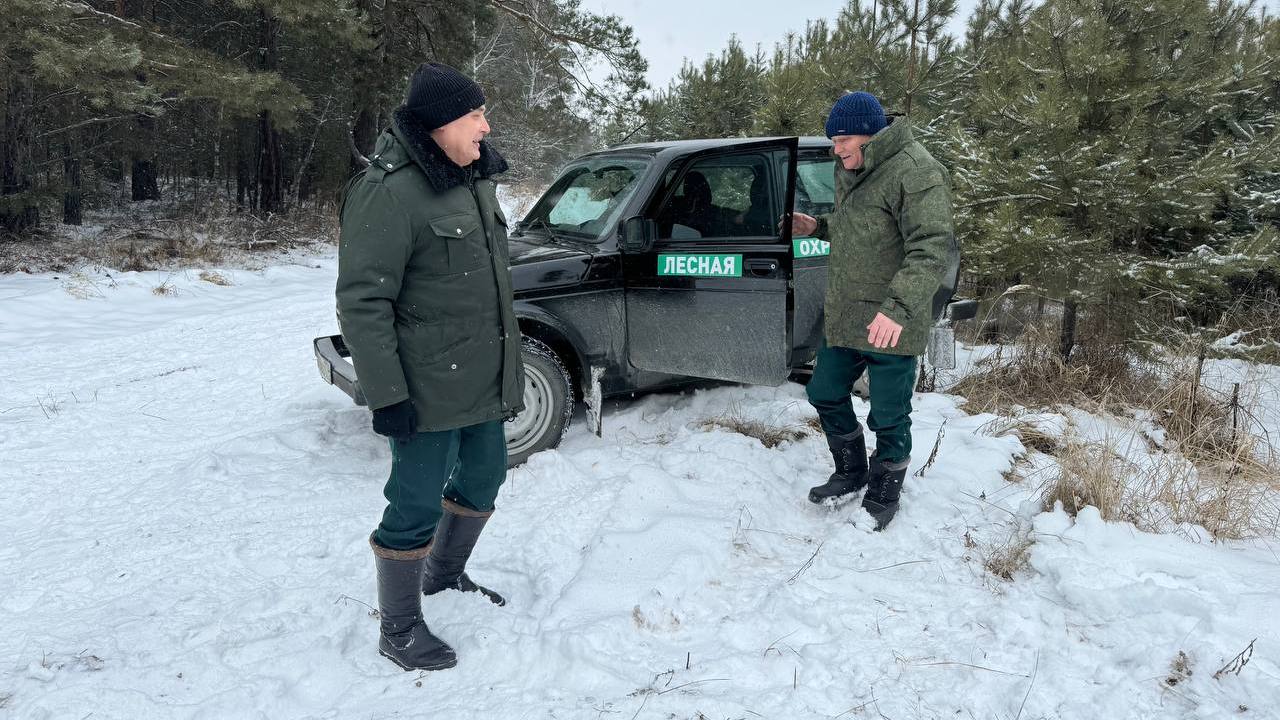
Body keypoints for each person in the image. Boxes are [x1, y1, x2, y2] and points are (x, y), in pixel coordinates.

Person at [335, 62, 524, 671]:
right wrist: (386, 394)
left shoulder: (474, 180)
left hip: (482, 378)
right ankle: (398, 626)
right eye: (475, 115)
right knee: (415, 501)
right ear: (442, 123)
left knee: (486, 477)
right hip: (424, 386)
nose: (486, 126)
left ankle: (444, 575)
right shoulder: (389, 191)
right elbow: (364, 301)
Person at [791, 91, 956, 530]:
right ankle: (851, 471)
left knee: (888, 412)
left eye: (843, 139)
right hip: (848, 312)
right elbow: (865, 229)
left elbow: (931, 248)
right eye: (834, 140)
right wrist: (819, 226)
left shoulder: (915, 170)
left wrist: (897, 309)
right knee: (823, 390)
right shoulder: (855, 165)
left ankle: (885, 489)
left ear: (871, 133)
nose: (836, 148)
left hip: (890, 318)